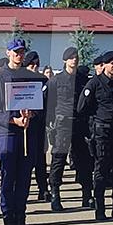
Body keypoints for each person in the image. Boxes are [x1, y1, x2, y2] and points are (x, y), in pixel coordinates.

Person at [0, 38, 42, 225]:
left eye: (22, 52)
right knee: (8, 179)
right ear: (8, 53)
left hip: (26, 133)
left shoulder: (29, 76)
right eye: (16, 51)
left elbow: (37, 102)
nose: (19, 55)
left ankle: (21, 223)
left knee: (25, 179)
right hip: (7, 133)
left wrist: (31, 115)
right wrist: (12, 119)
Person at [79, 51, 113, 220]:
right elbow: (82, 108)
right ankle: (100, 209)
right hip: (102, 132)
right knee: (101, 171)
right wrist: (93, 124)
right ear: (103, 66)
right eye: (111, 63)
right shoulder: (94, 84)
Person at [46, 47, 92, 211]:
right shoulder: (56, 81)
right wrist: (51, 123)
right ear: (65, 60)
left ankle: (87, 195)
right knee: (58, 159)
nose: (74, 60)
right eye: (71, 58)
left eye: (76, 57)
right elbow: (48, 103)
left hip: (80, 123)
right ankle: (55, 195)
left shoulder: (83, 79)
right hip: (63, 124)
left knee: (84, 160)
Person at [24, 51, 49, 202]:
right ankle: (23, 189)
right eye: (31, 64)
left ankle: (43, 189)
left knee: (40, 159)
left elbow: (48, 102)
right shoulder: (20, 79)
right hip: (24, 125)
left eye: (36, 64)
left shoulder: (43, 80)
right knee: (25, 160)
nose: (34, 67)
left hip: (39, 124)